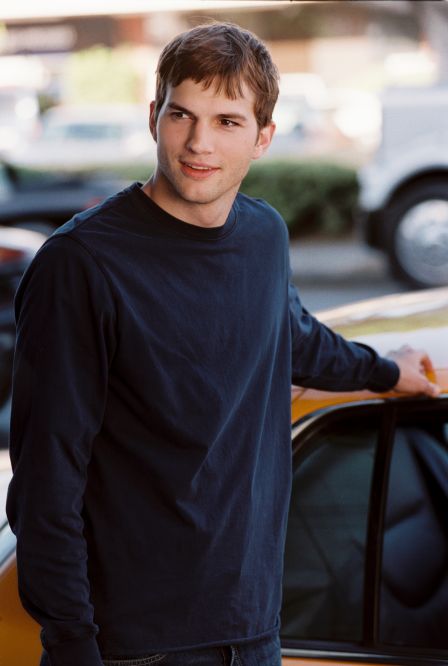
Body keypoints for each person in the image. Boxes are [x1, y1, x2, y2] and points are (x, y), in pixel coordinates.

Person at [6, 21, 439, 666]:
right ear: (153, 117)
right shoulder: (81, 265)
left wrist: (384, 370)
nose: (198, 143)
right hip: (134, 645)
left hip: (253, 631)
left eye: (227, 121)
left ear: (264, 136)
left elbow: (292, 337)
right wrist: (72, 641)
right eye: (181, 114)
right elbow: (46, 478)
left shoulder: (264, 236)